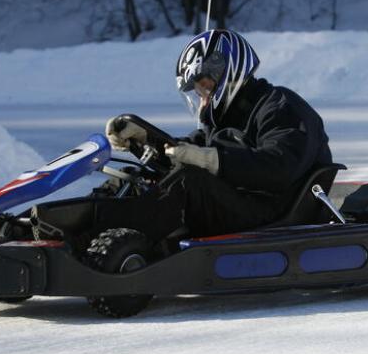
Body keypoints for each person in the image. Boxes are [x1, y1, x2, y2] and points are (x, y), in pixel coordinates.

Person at [96, 28, 333, 244]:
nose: (203, 97)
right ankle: (78, 227)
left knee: (188, 180)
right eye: (198, 92)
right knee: (133, 178)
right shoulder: (225, 119)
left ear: (226, 72)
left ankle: (121, 244)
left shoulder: (280, 105)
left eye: (205, 86)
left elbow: (279, 167)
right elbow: (186, 150)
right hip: (237, 203)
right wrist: (146, 139)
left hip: (271, 210)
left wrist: (212, 160)